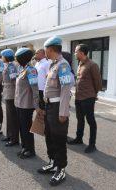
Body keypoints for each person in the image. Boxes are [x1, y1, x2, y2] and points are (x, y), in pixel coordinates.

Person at [37, 36, 73, 186]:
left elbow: (65, 90)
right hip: (49, 106)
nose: (45, 52)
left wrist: (63, 112)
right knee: (49, 137)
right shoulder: (53, 64)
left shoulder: (63, 66)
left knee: (59, 139)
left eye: (45, 49)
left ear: (50, 49)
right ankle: (53, 163)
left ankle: (61, 169)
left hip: (59, 108)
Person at [67, 44, 102, 153]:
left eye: (76, 51)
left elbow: (98, 82)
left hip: (88, 98)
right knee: (80, 119)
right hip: (79, 97)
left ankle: (92, 144)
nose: (75, 53)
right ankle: (79, 138)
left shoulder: (92, 65)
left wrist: (94, 94)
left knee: (90, 121)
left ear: (82, 53)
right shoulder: (80, 64)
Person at [14, 48, 40, 159]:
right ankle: (24, 147)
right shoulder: (22, 69)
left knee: (26, 128)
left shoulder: (31, 70)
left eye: (17, 58)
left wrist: (37, 106)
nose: (16, 60)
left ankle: (30, 150)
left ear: (22, 58)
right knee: (21, 127)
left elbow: (35, 89)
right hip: (19, 103)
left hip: (27, 105)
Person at [0, 49, 20, 147]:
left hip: (11, 94)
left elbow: (14, 81)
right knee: (9, 116)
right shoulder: (9, 65)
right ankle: (9, 135)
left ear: (6, 57)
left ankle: (14, 138)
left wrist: (16, 95)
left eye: (2, 56)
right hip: (8, 92)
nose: (1, 58)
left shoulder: (12, 66)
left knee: (12, 117)